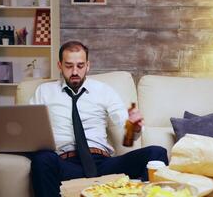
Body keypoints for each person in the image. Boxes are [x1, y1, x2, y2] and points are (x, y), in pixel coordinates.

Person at [29, 41, 168, 197]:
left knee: (157, 153)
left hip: (102, 163)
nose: (75, 71)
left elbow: (126, 128)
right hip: (64, 163)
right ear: (59, 65)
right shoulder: (44, 91)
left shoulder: (103, 90)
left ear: (88, 65)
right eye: (69, 66)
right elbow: (29, 127)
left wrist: (133, 127)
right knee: (42, 159)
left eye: (80, 66)